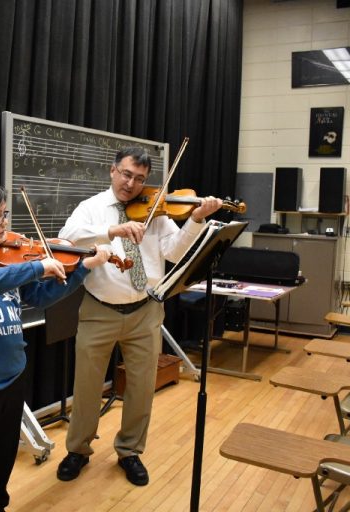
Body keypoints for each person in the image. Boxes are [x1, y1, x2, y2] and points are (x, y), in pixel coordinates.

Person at [0, 178, 109, 512]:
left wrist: (81, 270)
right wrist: (36, 266)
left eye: (5, 214)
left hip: (12, 378)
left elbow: (42, 296)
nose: (4, 223)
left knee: (0, 464)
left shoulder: (7, 259)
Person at [56, 147, 223, 486]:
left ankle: (130, 452)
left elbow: (174, 252)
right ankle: (78, 450)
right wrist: (112, 232)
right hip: (99, 309)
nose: (131, 184)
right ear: (112, 170)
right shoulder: (91, 208)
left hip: (145, 310)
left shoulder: (157, 212)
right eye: (126, 174)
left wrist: (195, 220)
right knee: (87, 386)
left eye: (140, 179)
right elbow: (69, 238)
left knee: (142, 388)